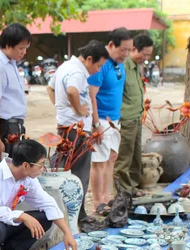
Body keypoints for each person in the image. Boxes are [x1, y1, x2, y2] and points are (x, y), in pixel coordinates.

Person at [0, 140, 78, 250]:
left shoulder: (28, 179)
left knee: (44, 218)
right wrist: (23, 216)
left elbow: (47, 202)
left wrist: (67, 233)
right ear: (26, 165)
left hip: (5, 221)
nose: (43, 169)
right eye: (41, 165)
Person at [47, 40, 109, 221]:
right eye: (98, 65)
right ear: (89, 59)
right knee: (79, 173)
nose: (98, 70)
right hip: (77, 130)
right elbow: (73, 91)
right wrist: (78, 110)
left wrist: (62, 108)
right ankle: (78, 216)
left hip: (68, 126)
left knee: (66, 168)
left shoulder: (65, 66)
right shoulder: (77, 72)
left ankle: (70, 214)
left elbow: (50, 88)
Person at [88, 27, 133, 214]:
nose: (127, 54)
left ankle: (107, 196)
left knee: (111, 158)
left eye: (129, 50)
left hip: (115, 119)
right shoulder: (102, 62)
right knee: (99, 161)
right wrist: (96, 123)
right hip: (102, 121)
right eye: (124, 50)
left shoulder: (119, 63)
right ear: (111, 45)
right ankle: (98, 201)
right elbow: (91, 95)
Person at [0, 23, 32, 163]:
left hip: (15, 126)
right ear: (9, 45)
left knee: (17, 172)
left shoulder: (11, 63)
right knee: (9, 173)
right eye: (21, 48)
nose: (24, 52)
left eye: (25, 48)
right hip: (5, 127)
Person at [114, 34, 154, 197]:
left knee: (136, 155)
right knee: (124, 157)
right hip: (126, 119)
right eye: (143, 54)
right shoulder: (122, 67)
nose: (145, 58)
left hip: (137, 117)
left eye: (148, 55)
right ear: (133, 49)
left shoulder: (137, 66)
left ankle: (132, 186)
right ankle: (122, 191)